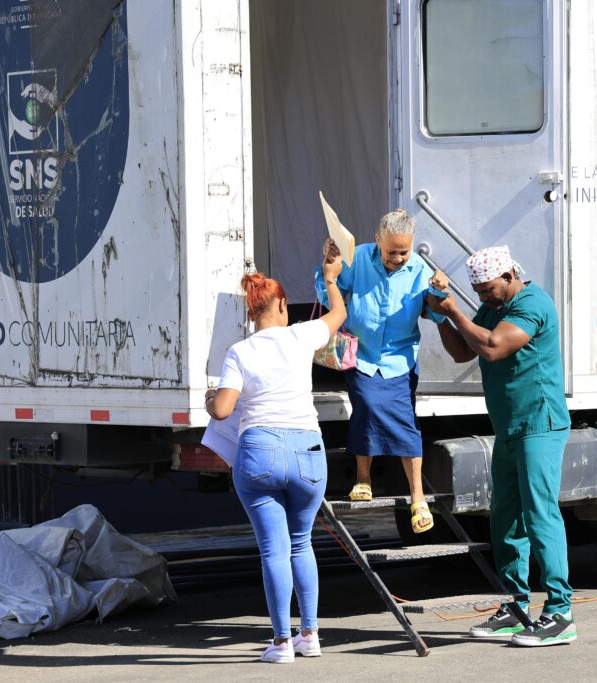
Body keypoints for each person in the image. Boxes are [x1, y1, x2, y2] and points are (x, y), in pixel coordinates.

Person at [427, 245, 576, 647]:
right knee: (506, 519)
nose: (482, 298)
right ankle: (515, 606)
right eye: (477, 292)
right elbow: (463, 351)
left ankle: (560, 612)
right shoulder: (494, 307)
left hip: (539, 424)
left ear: (510, 275)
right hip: (510, 427)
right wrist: (441, 315)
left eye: (487, 289)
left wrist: (455, 310)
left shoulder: (532, 304)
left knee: (540, 515)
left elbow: (492, 346)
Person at [205, 260, 346, 664]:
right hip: (308, 451)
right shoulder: (302, 335)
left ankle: (281, 643)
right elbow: (339, 315)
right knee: (302, 544)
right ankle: (311, 634)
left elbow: (222, 410)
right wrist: (331, 279)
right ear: (283, 306)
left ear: (251, 313)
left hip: (259, 451)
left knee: (273, 550)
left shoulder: (240, 351)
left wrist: (211, 397)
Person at [316, 209, 449, 534]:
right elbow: (326, 294)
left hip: (401, 357)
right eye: (392, 251)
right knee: (366, 408)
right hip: (362, 354)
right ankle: (363, 478)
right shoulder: (358, 258)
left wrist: (439, 293)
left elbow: (433, 315)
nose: (398, 258)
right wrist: (328, 271)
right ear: (378, 241)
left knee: (405, 421)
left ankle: (418, 496)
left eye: (404, 251)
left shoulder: (419, 268)